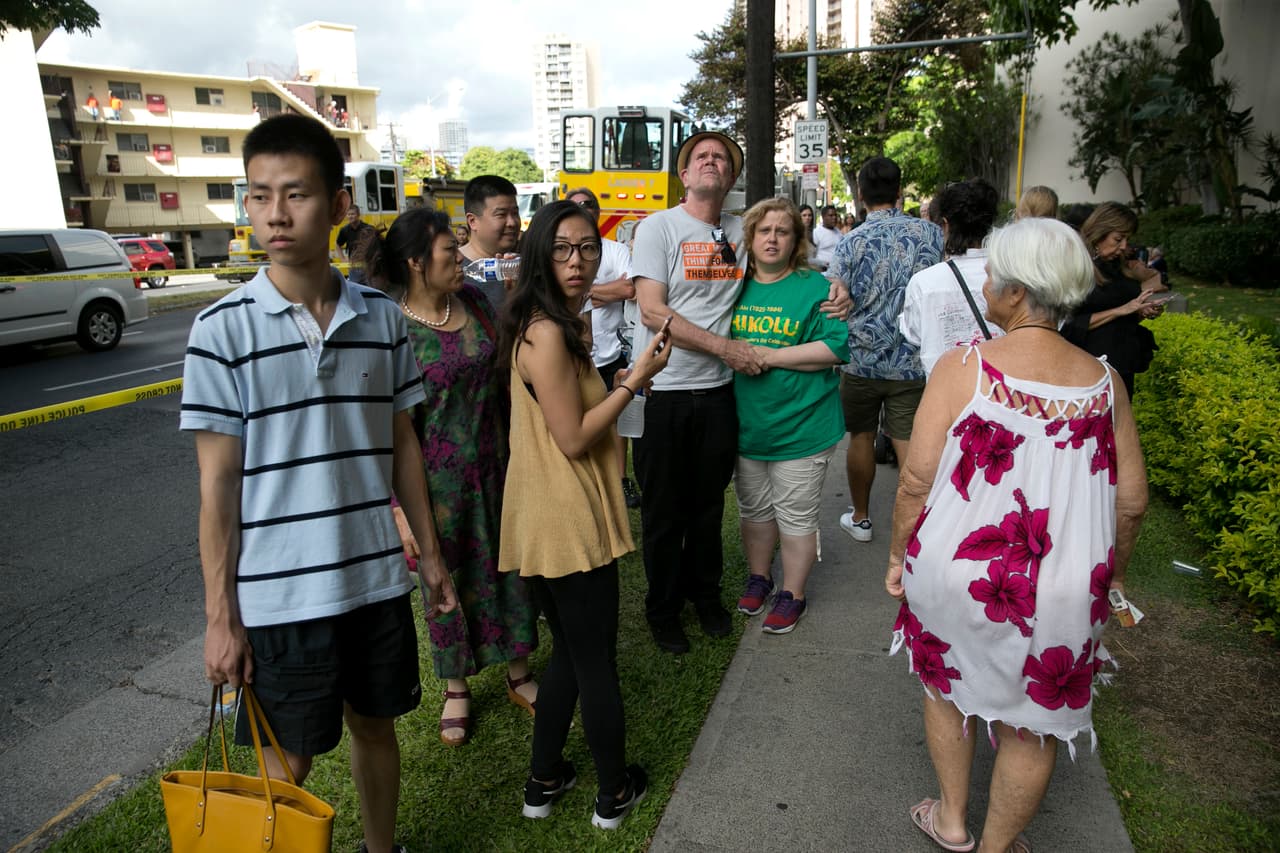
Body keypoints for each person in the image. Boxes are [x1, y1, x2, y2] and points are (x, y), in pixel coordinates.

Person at [180, 113, 457, 853]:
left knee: (377, 726)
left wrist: (428, 556)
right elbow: (217, 488)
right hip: (277, 595)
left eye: (295, 193)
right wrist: (219, 616)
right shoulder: (220, 329)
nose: (274, 212)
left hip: (372, 579)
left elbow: (404, 445)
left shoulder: (383, 322)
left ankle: (380, 847)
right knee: (287, 763)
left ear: (338, 206)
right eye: (258, 194)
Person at [885, 217, 1148, 853]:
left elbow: (916, 480)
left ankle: (951, 821)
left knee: (947, 690)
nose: (989, 284)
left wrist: (897, 554)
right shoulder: (1103, 383)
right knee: (1035, 726)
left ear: (1019, 291)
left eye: (995, 275)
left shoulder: (963, 368)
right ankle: (999, 847)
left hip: (955, 571)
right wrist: (1108, 576)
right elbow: (1133, 503)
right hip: (1063, 585)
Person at [630, 130, 851, 654]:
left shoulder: (737, 232)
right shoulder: (658, 228)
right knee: (664, 511)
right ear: (684, 175)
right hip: (664, 391)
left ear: (731, 178)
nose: (711, 162)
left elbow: (783, 266)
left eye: (722, 158)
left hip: (718, 396)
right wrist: (727, 349)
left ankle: (705, 597)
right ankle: (663, 610)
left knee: (708, 509)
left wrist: (836, 286)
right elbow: (652, 310)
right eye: (700, 157)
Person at [497, 199, 673, 829]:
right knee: (594, 657)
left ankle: (543, 782)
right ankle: (613, 793)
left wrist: (624, 380)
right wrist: (636, 379)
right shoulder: (545, 331)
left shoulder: (555, 323)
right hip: (563, 518)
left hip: (550, 514)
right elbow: (573, 438)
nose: (578, 261)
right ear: (541, 254)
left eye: (588, 249)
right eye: (564, 249)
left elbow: (568, 418)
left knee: (572, 655)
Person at [364, 207, 539, 747]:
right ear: (417, 262)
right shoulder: (392, 329)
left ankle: (520, 670)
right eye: (449, 249)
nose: (459, 256)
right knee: (446, 583)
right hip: (433, 487)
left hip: (498, 468)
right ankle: (457, 687)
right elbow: (389, 431)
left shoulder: (479, 306)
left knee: (511, 570)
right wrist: (398, 508)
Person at [730, 198, 847, 634]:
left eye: (782, 230)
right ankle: (760, 577)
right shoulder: (733, 285)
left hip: (803, 425)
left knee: (796, 515)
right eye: (764, 230)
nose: (773, 238)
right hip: (747, 426)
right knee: (755, 510)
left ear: (796, 240)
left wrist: (770, 355)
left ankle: (792, 593)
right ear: (751, 237)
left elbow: (834, 349)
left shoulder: (816, 288)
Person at [828, 156, 943, 544]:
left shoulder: (850, 241)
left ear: (860, 194)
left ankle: (861, 518)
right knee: (908, 440)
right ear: (899, 191)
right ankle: (915, 526)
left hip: (861, 359)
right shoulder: (930, 235)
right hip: (912, 359)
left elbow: (835, 295)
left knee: (860, 437)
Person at [566, 186, 642, 508]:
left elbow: (629, 287)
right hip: (573, 353)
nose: (584, 208)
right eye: (576, 205)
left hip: (611, 350)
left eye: (589, 204)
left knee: (616, 422)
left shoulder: (613, 250)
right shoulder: (562, 251)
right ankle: (584, 486)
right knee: (576, 420)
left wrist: (582, 291)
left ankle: (620, 481)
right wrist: (598, 291)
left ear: (598, 211)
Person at [900, 178, 1003, 377]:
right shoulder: (1013, 278)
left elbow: (913, 334)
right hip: (999, 393)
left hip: (945, 393)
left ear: (945, 225)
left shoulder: (924, 282)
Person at [1064, 201, 1167, 399]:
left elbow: (1122, 313)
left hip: (1122, 362)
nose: (1123, 247)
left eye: (1127, 239)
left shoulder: (1117, 266)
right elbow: (1067, 325)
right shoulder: (1076, 267)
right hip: (1090, 368)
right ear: (1099, 232)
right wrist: (1121, 310)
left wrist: (1140, 311)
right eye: (1118, 239)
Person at [460, 175, 521, 310]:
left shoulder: (521, 265)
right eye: (501, 215)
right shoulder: (455, 271)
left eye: (515, 213)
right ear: (472, 221)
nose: (512, 222)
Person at [336, 204, 375, 284]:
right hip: (353, 267)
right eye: (348, 214)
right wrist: (342, 259)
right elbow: (338, 244)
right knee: (355, 288)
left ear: (358, 215)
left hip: (367, 266)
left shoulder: (367, 229)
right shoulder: (344, 230)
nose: (350, 216)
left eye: (352, 214)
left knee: (370, 290)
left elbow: (375, 244)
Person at [811, 204, 842, 270]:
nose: (834, 218)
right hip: (822, 272)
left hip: (837, 271)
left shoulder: (839, 232)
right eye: (831, 215)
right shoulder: (816, 233)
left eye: (835, 215)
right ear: (823, 217)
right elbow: (811, 256)